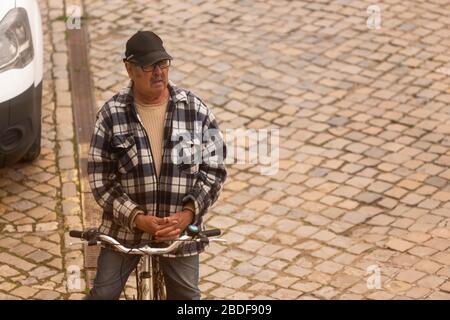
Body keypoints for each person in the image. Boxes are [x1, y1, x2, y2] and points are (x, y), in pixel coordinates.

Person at [86, 30, 227, 300]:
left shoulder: (195, 110)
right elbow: (101, 180)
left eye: (163, 64)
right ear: (129, 69)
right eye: (149, 66)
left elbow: (214, 169)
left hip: (180, 231)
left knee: (188, 298)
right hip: (124, 232)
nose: (159, 72)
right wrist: (138, 219)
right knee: (102, 294)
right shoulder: (111, 115)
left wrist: (187, 214)